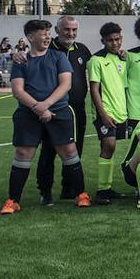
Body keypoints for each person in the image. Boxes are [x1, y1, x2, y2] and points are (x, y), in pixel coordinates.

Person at [0, 19, 90, 214]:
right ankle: (13, 200)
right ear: (30, 37)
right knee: (23, 154)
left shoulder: (58, 57)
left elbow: (65, 84)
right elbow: (17, 90)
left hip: (58, 111)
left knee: (69, 152)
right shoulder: (21, 60)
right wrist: (37, 107)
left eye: (49, 33)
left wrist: (46, 106)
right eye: (43, 33)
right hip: (27, 114)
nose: (47, 37)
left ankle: (81, 195)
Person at [35, 15, 92, 203]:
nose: (71, 33)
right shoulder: (47, 49)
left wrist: (121, 53)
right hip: (52, 109)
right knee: (49, 151)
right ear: (58, 30)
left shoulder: (82, 50)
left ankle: (69, 189)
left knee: (75, 150)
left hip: (77, 110)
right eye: (67, 29)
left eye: (74, 29)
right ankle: (45, 191)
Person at [88, 22, 130, 204]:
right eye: (110, 40)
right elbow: (94, 89)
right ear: (103, 41)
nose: (115, 43)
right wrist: (103, 114)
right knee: (109, 146)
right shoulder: (96, 60)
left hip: (121, 111)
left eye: (118, 39)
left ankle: (108, 187)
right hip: (105, 112)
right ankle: (102, 190)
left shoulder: (122, 59)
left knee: (113, 148)